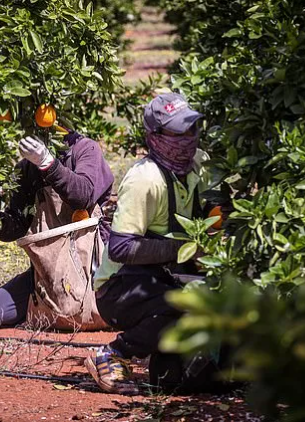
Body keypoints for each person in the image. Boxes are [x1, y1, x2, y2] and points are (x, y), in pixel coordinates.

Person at [84, 93, 220, 395]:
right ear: (155, 137)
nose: (187, 139)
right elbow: (120, 248)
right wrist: (186, 249)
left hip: (165, 277)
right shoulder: (145, 180)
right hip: (119, 287)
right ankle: (113, 353)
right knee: (187, 300)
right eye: (177, 132)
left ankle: (171, 368)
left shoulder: (200, 166)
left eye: (191, 129)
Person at [0, 128, 114, 328]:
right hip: (50, 267)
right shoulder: (27, 167)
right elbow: (17, 227)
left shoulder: (85, 149)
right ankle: (52, 308)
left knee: (114, 311)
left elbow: (83, 195)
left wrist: (48, 164)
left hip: (92, 261)